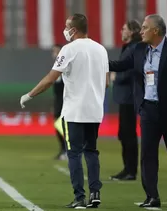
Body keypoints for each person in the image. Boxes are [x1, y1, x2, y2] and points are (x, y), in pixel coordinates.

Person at [20, 13, 109, 209]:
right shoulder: (101, 50)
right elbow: (107, 82)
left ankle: (79, 197)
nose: (65, 30)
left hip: (74, 111)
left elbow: (51, 78)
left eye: (67, 26)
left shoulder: (69, 49)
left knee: (74, 153)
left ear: (74, 30)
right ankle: (95, 193)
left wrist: (29, 95)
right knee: (92, 151)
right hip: (94, 110)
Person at [109, 14, 167, 208]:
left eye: (145, 27)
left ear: (156, 31)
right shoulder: (139, 49)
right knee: (147, 154)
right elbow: (120, 65)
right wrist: (96, 60)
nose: (141, 31)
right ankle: (152, 196)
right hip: (148, 109)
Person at [110, 20, 141, 181]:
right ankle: (127, 168)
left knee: (128, 133)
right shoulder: (129, 47)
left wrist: (117, 76)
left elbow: (131, 69)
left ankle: (130, 170)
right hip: (126, 96)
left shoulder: (134, 48)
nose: (121, 31)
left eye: (123, 28)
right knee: (124, 133)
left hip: (130, 96)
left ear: (131, 32)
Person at [51, 44, 67, 160]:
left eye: (57, 51)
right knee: (58, 125)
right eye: (54, 52)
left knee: (64, 127)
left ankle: (67, 150)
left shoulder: (65, 67)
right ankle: (63, 149)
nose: (55, 54)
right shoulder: (56, 68)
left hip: (65, 101)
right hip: (58, 101)